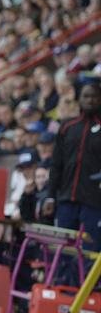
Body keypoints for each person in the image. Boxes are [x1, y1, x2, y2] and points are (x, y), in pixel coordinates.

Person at [43, 81, 101, 251]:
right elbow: (56, 164)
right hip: (66, 200)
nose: (90, 100)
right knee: (65, 250)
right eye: (86, 96)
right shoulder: (67, 126)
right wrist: (51, 196)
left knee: (92, 249)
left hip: (95, 202)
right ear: (79, 99)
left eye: (95, 96)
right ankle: (65, 279)